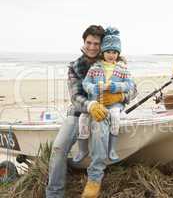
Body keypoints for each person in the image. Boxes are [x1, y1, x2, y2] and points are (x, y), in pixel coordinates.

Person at [46, 25, 137, 198]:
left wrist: (119, 97)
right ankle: (54, 193)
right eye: (89, 42)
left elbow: (134, 90)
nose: (92, 47)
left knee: (99, 128)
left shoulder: (118, 65)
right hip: (79, 113)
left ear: (103, 45)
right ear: (84, 42)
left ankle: (94, 180)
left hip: (104, 111)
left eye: (97, 43)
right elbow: (75, 96)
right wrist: (90, 105)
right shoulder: (76, 66)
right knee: (58, 147)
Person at [74, 27, 136, 166]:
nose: (111, 55)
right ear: (103, 52)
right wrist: (92, 88)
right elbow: (85, 83)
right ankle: (82, 149)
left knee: (114, 116)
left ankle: (112, 148)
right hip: (95, 103)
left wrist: (117, 90)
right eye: (108, 51)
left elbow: (130, 85)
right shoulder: (95, 67)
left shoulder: (122, 68)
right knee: (83, 119)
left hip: (114, 104)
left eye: (114, 52)